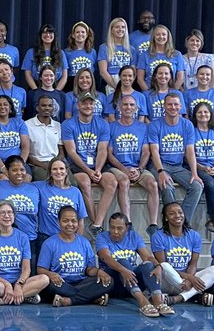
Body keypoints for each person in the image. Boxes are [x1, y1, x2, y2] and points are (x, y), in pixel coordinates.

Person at [148, 92, 204, 229]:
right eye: (170, 104)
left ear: (181, 107)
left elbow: (190, 151)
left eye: (176, 104)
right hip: (160, 165)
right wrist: (160, 171)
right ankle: (170, 226)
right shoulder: (155, 125)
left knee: (197, 186)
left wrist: (194, 173)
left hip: (178, 167)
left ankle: (181, 223)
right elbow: (154, 151)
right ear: (164, 106)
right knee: (166, 187)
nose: (173, 107)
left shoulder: (187, 125)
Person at [36, 205, 112, 307]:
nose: (70, 224)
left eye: (73, 221)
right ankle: (92, 297)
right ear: (58, 222)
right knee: (49, 286)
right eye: (65, 221)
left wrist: (99, 271)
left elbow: (89, 270)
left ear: (78, 223)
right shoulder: (49, 243)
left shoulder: (84, 242)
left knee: (109, 281)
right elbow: (40, 269)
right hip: (61, 283)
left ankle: (68, 301)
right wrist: (51, 274)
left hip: (82, 282)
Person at [61, 93, 116, 235]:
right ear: (78, 105)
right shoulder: (68, 124)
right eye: (84, 103)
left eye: (91, 103)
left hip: (97, 162)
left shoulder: (102, 123)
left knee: (112, 182)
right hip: (77, 164)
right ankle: (95, 224)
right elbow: (71, 152)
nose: (88, 106)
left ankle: (97, 223)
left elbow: (103, 149)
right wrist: (88, 171)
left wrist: (97, 169)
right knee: (85, 182)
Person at [107, 94, 160, 232]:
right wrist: (124, 169)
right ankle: (128, 222)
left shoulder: (143, 127)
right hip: (117, 167)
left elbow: (146, 152)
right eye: (125, 105)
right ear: (119, 107)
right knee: (124, 182)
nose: (128, 108)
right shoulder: (111, 127)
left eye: (131, 105)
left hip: (137, 167)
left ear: (136, 108)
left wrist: (140, 169)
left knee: (153, 184)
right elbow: (109, 154)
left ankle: (153, 224)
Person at [96, 212, 166, 316]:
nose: (115, 232)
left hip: (133, 280)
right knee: (123, 262)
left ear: (127, 228)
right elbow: (106, 257)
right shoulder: (102, 237)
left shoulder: (134, 236)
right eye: (112, 228)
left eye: (120, 228)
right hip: (115, 282)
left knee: (148, 265)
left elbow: (147, 257)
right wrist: (123, 270)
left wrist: (158, 266)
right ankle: (143, 301)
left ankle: (158, 302)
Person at [0, 200, 46, 305]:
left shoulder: (23, 237)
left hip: (19, 281)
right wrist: (7, 284)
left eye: (10, 212)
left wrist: (19, 284)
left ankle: (3, 299)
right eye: (2, 213)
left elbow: (26, 268)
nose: (6, 216)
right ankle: (23, 297)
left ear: (14, 215)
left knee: (44, 279)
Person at [151, 202, 214, 305]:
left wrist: (189, 279)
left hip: (187, 282)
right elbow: (162, 266)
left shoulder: (194, 236)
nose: (177, 215)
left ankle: (179, 298)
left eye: (180, 212)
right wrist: (190, 278)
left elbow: (193, 264)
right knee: (164, 265)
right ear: (166, 218)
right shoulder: (158, 236)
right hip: (167, 281)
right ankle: (195, 295)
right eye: (172, 213)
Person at [0, 156, 41, 260]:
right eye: (14, 170)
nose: (19, 173)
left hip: (30, 238)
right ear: (7, 172)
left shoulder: (34, 189)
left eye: (22, 169)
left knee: (29, 273)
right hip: (3, 239)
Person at [189, 103, 214, 232]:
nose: (203, 115)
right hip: (196, 166)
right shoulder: (191, 131)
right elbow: (187, 155)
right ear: (195, 115)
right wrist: (202, 168)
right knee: (210, 184)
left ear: (211, 114)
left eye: (206, 112)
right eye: (199, 112)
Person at [35, 157, 87, 245]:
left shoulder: (75, 192)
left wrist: (76, 241)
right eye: (54, 169)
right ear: (50, 172)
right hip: (46, 238)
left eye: (61, 168)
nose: (58, 172)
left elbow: (81, 220)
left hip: (68, 238)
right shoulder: (40, 187)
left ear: (66, 172)